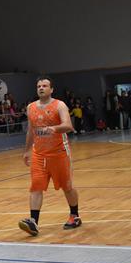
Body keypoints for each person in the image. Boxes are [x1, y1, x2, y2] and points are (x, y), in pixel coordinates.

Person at [19, 77, 81, 236]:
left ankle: (74, 215)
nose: (41, 88)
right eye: (38, 86)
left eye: (44, 86)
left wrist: (54, 129)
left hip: (59, 153)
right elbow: (31, 130)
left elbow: (68, 125)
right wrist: (27, 150)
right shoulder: (31, 107)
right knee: (36, 187)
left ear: (51, 89)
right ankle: (33, 222)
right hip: (39, 154)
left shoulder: (60, 105)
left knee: (67, 187)